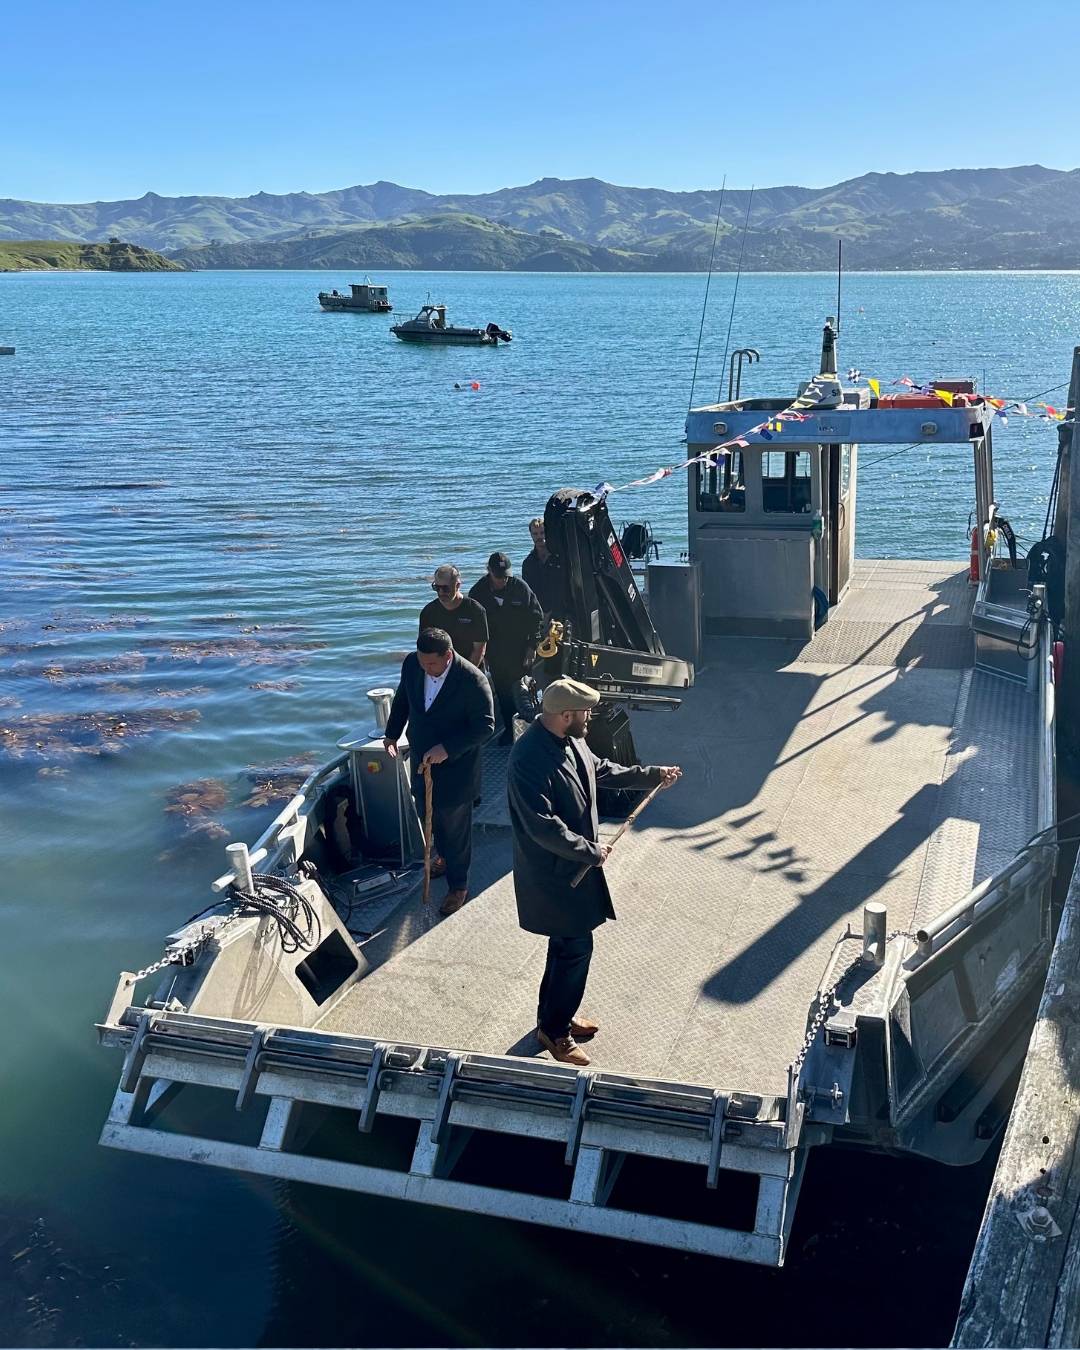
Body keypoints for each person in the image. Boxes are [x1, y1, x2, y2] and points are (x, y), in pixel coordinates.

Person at [507, 678, 681, 1065]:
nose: (590, 718)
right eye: (586, 712)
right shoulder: (528, 757)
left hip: (575, 867)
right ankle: (555, 1034)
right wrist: (589, 850)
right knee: (575, 947)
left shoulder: (572, 740)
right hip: (554, 873)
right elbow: (541, 824)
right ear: (566, 715)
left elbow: (601, 771)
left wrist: (653, 774)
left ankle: (554, 1019)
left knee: (564, 945)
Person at [384, 627, 495, 915]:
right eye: (422, 662)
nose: (425, 668)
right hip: (422, 761)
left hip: (457, 768)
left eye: (431, 664)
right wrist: (392, 733)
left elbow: (485, 727)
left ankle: (459, 885)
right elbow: (404, 699)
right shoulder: (412, 664)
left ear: (448, 656)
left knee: (455, 827)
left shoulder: (472, 680)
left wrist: (447, 748)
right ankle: (443, 858)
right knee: (426, 814)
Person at [468, 551, 543, 747]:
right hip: (496, 652)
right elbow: (473, 627)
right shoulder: (478, 593)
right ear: (489, 572)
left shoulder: (520, 588)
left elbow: (537, 619)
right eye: (499, 576)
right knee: (503, 692)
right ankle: (510, 730)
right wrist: (480, 655)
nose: (503, 580)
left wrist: (532, 647)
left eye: (506, 576)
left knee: (524, 690)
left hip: (521, 650)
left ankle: (531, 729)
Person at [418, 564, 488, 666]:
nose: (441, 592)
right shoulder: (428, 612)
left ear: (457, 585)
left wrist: (464, 674)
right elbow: (423, 648)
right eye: (437, 587)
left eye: (446, 588)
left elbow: (479, 651)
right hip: (438, 671)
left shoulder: (475, 610)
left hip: (471, 669)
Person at [522, 517, 558, 617]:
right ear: (531, 535)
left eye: (542, 533)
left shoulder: (559, 558)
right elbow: (528, 593)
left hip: (561, 610)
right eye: (535, 534)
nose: (539, 537)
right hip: (539, 613)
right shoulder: (528, 563)